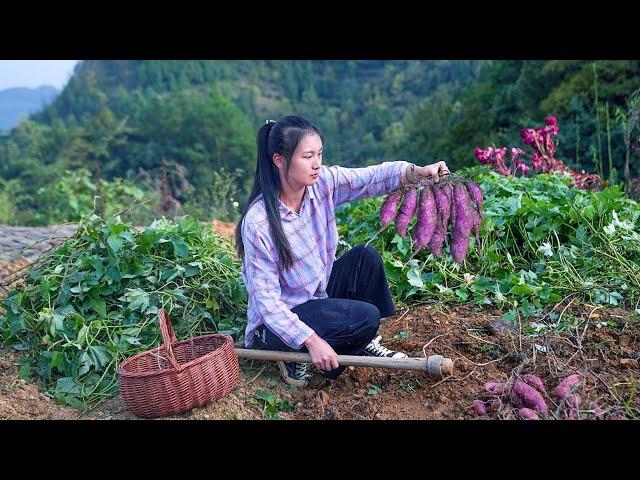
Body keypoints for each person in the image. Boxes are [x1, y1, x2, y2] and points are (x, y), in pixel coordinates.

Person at [234, 115, 450, 387]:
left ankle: (361, 341)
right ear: (279, 160)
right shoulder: (259, 223)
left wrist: (416, 172)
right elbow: (267, 303)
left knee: (365, 259)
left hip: (316, 297)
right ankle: (294, 354)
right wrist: (311, 341)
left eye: (319, 154)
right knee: (366, 317)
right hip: (277, 323)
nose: (316, 164)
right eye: (307, 156)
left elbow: (369, 178)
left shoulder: (321, 183)